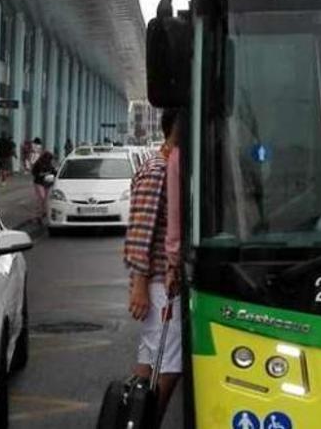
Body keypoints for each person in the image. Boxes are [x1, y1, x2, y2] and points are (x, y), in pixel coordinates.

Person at [123, 109, 183, 423]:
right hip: (160, 283)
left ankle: (138, 420)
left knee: (150, 359)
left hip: (161, 283)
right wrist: (140, 285)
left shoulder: (170, 165)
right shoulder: (158, 169)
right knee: (170, 364)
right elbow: (140, 231)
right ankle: (148, 422)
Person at [30, 150, 57, 221]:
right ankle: (39, 214)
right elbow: (34, 172)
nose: (50, 160)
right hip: (39, 182)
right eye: (49, 158)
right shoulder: (38, 163)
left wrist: (55, 173)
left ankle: (44, 212)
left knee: (46, 199)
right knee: (41, 197)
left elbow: (54, 171)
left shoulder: (50, 164)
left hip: (48, 183)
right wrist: (42, 174)